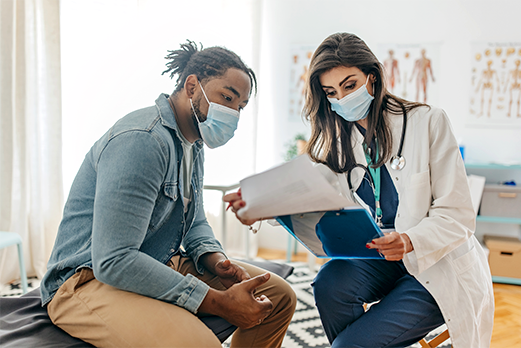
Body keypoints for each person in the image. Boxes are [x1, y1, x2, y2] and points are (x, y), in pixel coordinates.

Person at [225, 33, 494, 348]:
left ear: (373, 77)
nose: (341, 98)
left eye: (349, 85)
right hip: (380, 256)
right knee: (329, 283)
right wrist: (256, 204)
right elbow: (306, 195)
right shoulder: (337, 141)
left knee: (348, 345)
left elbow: (458, 215)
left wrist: (410, 240)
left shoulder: (427, 122)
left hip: (434, 263)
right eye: (331, 92)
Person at [40, 40, 296, 348]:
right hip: (87, 280)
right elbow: (114, 260)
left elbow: (195, 219)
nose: (233, 113)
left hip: (157, 259)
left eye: (239, 107)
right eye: (226, 97)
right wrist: (215, 300)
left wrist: (216, 261)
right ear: (192, 86)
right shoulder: (143, 141)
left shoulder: (194, 141)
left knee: (279, 298)